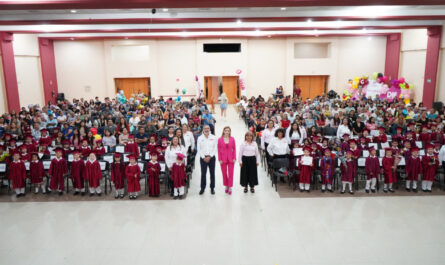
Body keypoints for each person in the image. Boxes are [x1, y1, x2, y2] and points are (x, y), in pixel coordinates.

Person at [197, 124, 217, 195]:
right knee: (203, 174)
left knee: (212, 173)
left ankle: (212, 188)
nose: (206, 129)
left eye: (207, 128)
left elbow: (215, 148)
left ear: (210, 129)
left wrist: (210, 156)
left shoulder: (214, 137)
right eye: (205, 128)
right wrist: (203, 157)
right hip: (203, 158)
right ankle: (202, 188)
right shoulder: (200, 138)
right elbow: (199, 149)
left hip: (212, 158)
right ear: (203, 129)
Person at [218, 126, 236, 195]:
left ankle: (230, 187)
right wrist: (219, 159)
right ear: (223, 131)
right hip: (223, 159)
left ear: (230, 132)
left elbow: (234, 149)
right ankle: (226, 186)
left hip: (231, 159)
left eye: (228, 130)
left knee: (231, 173)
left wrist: (234, 158)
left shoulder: (232, 139)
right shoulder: (220, 139)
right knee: (224, 173)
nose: (227, 132)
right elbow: (219, 150)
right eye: (226, 130)